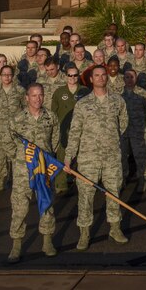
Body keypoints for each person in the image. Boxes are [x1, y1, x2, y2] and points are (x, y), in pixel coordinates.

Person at [66, 65, 129, 250]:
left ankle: (115, 229)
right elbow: (75, 132)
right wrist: (69, 156)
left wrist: (112, 141)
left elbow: (123, 124)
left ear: (107, 78)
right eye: (97, 75)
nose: (101, 78)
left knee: (114, 194)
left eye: (103, 75)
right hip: (88, 158)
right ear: (91, 80)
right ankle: (84, 233)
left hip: (111, 157)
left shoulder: (118, 101)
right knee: (85, 196)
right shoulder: (83, 104)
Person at [6, 83, 60, 264]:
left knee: (46, 204)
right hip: (23, 170)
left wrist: (47, 157)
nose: (38, 99)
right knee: (20, 207)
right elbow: (9, 141)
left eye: (41, 95)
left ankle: (47, 242)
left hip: (43, 170)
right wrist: (19, 157)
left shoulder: (50, 117)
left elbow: (55, 140)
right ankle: (16, 245)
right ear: (26, 98)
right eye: (34, 95)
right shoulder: (17, 119)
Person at [0, 65, 26, 197]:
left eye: (9, 74)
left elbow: (26, 110)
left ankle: (18, 183)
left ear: (13, 76)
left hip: (15, 130)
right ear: (0, 76)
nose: (7, 77)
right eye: (4, 75)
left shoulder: (20, 91)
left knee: (16, 157)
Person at [51, 66, 88, 194]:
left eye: (75, 75)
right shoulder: (59, 92)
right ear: (66, 76)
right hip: (64, 130)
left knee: (82, 158)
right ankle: (61, 184)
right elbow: (53, 113)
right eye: (70, 75)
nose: (72, 78)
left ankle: (81, 183)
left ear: (78, 76)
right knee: (62, 157)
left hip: (82, 130)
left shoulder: (85, 91)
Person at [121, 69, 146, 193]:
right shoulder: (118, 93)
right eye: (127, 77)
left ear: (136, 79)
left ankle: (142, 179)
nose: (130, 80)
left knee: (140, 155)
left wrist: (142, 123)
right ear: (124, 79)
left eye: (132, 77)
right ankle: (123, 178)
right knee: (122, 155)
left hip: (138, 130)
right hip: (123, 130)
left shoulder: (143, 94)